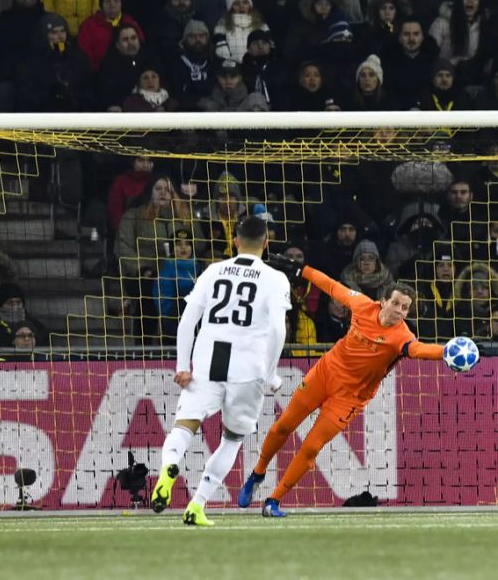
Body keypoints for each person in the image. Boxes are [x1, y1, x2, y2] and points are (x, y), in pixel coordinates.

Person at [238, 254, 446, 517]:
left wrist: (446, 352)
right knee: (284, 425)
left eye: (405, 308)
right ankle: (257, 473)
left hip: (350, 398)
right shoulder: (361, 305)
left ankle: (274, 500)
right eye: (395, 303)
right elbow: (331, 285)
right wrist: (303, 269)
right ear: (383, 301)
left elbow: (418, 350)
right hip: (324, 375)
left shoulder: (402, 337)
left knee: (312, 447)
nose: (399, 311)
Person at [150, 216, 290, 526]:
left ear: (236, 241)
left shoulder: (213, 271)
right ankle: (197, 505)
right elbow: (278, 331)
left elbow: (187, 322)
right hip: (248, 367)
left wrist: (182, 366)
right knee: (232, 439)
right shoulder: (275, 278)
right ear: (266, 243)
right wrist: (270, 373)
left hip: (208, 360)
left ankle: (170, 465)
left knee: (184, 424)